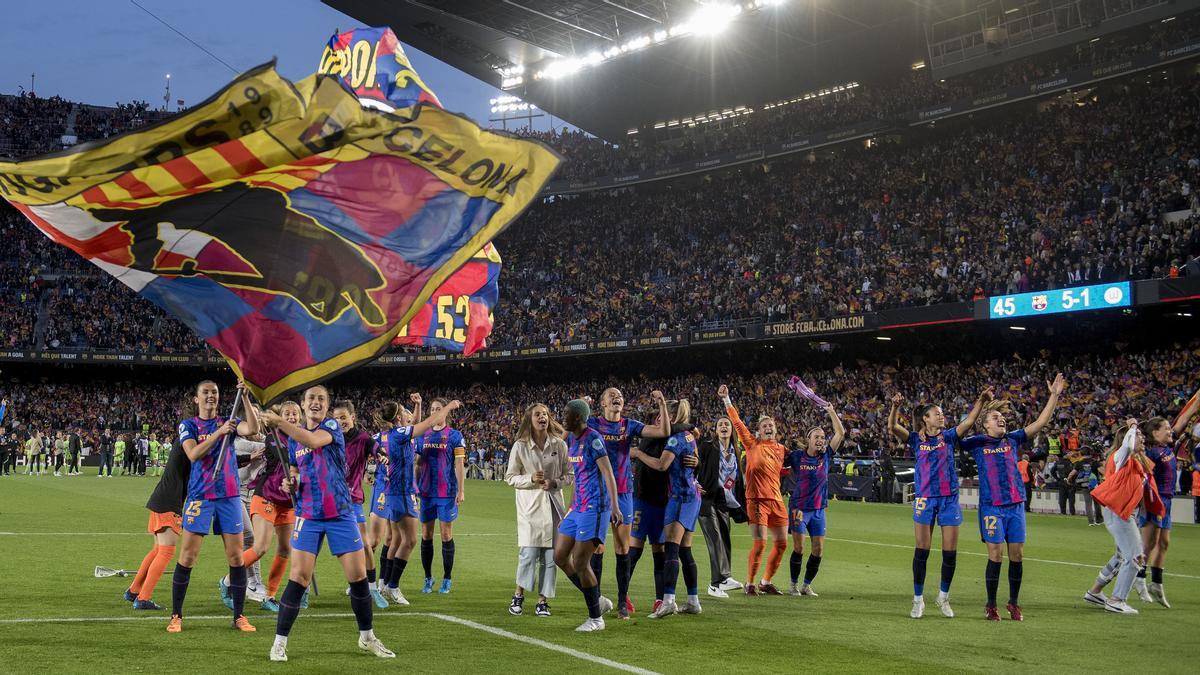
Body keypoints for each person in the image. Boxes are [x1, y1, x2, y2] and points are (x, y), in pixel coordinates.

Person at [261, 385, 396, 662]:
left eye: (321, 399)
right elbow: (297, 472)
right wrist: (292, 483)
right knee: (298, 578)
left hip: (340, 513)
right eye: (311, 398)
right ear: (303, 403)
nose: (316, 402)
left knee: (358, 577)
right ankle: (279, 642)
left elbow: (313, 441)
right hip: (308, 515)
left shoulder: (331, 426)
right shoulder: (294, 441)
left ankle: (367, 637)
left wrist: (280, 422)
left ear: (326, 405)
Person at [962, 373, 1064, 622]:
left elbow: (1040, 423)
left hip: (1015, 505)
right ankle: (991, 605)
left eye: (1003, 417)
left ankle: (1014, 603)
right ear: (985, 424)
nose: (1002, 420)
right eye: (995, 418)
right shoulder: (976, 442)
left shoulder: (1013, 439)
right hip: (991, 507)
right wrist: (980, 405)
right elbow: (959, 432)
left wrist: (1054, 396)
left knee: (1017, 555)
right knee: (995, 555)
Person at [167, 380, 260, 634]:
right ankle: (176, 615)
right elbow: (193, 454)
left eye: (215, 393)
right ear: (196, 399)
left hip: (229, 496)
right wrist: (220, 433)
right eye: (206, 393)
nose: (211, 396)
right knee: (188, 556)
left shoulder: (227, 421)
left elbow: (253, 427)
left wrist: (246, 399)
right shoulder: (189, 425)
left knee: (236, 557)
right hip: (201, 496)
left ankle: (239, 616)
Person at [888, 387, 990, 619]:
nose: (941, 416)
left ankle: (943, 597)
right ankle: (917, 600)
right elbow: (893, 427)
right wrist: (895, 407)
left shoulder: (950, 437)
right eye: (937, 413)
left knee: (949, 553)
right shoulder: (916, 439)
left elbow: (971, 420)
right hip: (925, 499)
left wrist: (981, 400)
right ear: (925, 419)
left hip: (949, 499)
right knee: (922, 551)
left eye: (942, 413)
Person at [585, 388, 669, 617]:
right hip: (598, 493)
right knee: (597, 547)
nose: (616, 397)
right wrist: (581, 408)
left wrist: (662, 404)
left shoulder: (629, 425)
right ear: (602, 403)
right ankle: (597, 600)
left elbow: (663, 431)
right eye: (611, 395)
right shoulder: (592, 423)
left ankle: (622, 602)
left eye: (620, 395)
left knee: (623, 548)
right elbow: (568, 432)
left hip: (623, 493)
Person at [376, 394, 455, 605]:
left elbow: (417, 423)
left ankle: (384, 583)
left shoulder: (397, 433)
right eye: (405, 412)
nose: (408, 415)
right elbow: (427, 423)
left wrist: (418, 405)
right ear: (398, 417)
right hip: (401, 492)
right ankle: (393, 586)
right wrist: (448, 407)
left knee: (396, 540)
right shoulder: (400, 434)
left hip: (397, 491)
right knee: (409, 541)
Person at [631, 399, 703, 618]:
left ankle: (668, 601)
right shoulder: (689, 434)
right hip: (692, 496)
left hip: (680, 497)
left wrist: (638, 454)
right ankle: (693, 601)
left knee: (671, 548)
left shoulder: (675, 439)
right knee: (685, 550)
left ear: (671, 418)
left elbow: (662, 465)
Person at [553, 398, 620, 632]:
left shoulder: (594, 439)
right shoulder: (572, 438)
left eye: (566, 414)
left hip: (595, 507)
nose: (563, 418)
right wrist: (570, 508)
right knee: (560, 557)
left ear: (578, 418)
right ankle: (598, 600)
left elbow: (608, 473)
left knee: (581, 562)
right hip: (578, 507)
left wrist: (615, 506)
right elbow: (578, 475)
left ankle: (596, 619)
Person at [1085, 420, 1161, 615]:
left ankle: (1096, 592)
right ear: (1127, 439)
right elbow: (1128, 444)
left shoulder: (1134, 460)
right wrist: (1133, 426)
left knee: (1123, 556)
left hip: (1125, 513)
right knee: (1135, 557)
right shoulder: (1121, 457)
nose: (1143, 438)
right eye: (1139, 436)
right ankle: (1117, 600)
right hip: (1119, 513)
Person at [720, 383, 788, 595]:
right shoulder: (752, 444)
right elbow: (737, 423)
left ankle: (765, 582)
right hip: (756, 500)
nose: (768, 427)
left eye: (771, 425)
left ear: (776, 430)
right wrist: (727, 399)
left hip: (776, 501)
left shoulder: (781, 450)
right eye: (765, 425)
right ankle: (750, 583)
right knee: (760, 544)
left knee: (782, 544)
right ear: (759, 430)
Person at [505, 403, 570, 617]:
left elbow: (569, 475)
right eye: (537, 414)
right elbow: (510, 477)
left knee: (550, 557)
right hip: (529, 507)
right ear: (529, 419)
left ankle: (543, 601)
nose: (542, 417)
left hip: (553, 506)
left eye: (545, 414)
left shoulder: (559, 445)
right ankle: (518, 595)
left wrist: (554, 483)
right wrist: (530, 479)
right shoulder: (520, 446)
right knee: (529, 553)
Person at [1133, 401, 1198, 609]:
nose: (1171, 430)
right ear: (1155, 432)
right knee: (1148, 544)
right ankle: (1139, 578)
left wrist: (1196, 403)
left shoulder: (1168, 446)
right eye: (1167, 428)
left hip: (1168, 500)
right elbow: (1143, 477)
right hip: (1155, 500)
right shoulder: (1150, 453)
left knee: (1164, 543)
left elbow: (1185, 418)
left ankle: (1156, 583)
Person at [242, 402, 300, 612]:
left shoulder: (303, 437)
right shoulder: (274, 437)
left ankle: (270, 596)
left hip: (288, 502)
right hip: (267, 495)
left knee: (286, 548)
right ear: (280, 417)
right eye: (287, 414)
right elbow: (287, 459)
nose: (291, 417)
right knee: (260, 547)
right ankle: (229, 581)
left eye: (295, 414)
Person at [784, 401, 845, 598]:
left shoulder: (825, 456)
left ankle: (806, 585)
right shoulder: (796, 457)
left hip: (819, 510)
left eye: (822, 437)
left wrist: (832, 411)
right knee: (799, 548)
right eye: (816, 437)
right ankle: (793, 585)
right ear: (808, 440)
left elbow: (840, 434)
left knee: (818, 550)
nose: (821, 440)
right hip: (799, 509)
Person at [332, 400, 389, 610]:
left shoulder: (362, 438)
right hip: (328, 500)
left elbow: (375, 447)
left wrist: (381, 455)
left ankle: (372, 589)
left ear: (352, 417)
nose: (340, 422)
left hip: (352, 501)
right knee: (315, 547)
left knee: (364, 545)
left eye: (343, 417)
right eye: (336, 418)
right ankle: (303, 592)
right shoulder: (329, 437)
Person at [124, 437, 190, 610]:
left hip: (161, 498)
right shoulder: (190, 443)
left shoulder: (183, 441)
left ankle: (134, 590)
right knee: (166, 552)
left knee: (158, 550)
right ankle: (143, 598)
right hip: (169, 502)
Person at [414, 398, 468, 595]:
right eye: (433, 408)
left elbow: (459, 464)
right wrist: (415, 486)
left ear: (445, 412)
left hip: (446, 494)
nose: (436, 411)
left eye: (439, 409)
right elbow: (418, 464)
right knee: (426, 535)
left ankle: (447, 578)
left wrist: (461, 490)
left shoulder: (455, 436)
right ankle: (428, 578)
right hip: (426, 492)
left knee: (446, 535)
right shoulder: (423, 435)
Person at [696, 416, 743, 597]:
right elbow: (694, 464)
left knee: (725, 538)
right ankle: (714, 584)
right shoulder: (708, 446)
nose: (724, 427)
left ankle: (725, 578)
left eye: (727, 424)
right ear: (716, 430)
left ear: (731, 430)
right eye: (720, 425)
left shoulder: (735, 450)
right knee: (715, 539)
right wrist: (694, 482)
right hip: (706, 498)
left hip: (724, 500)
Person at [1070, 449, 1101, 525]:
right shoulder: (1094, 462)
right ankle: (1099, 520)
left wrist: (1068, 479)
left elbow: (1072, 473)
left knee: (1088, 504)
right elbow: (1103, 471)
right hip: (1095, 485)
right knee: (1097, 503)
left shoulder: (1079, 463)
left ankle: (1091, 521)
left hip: (1084, 485)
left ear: (1081, 453)